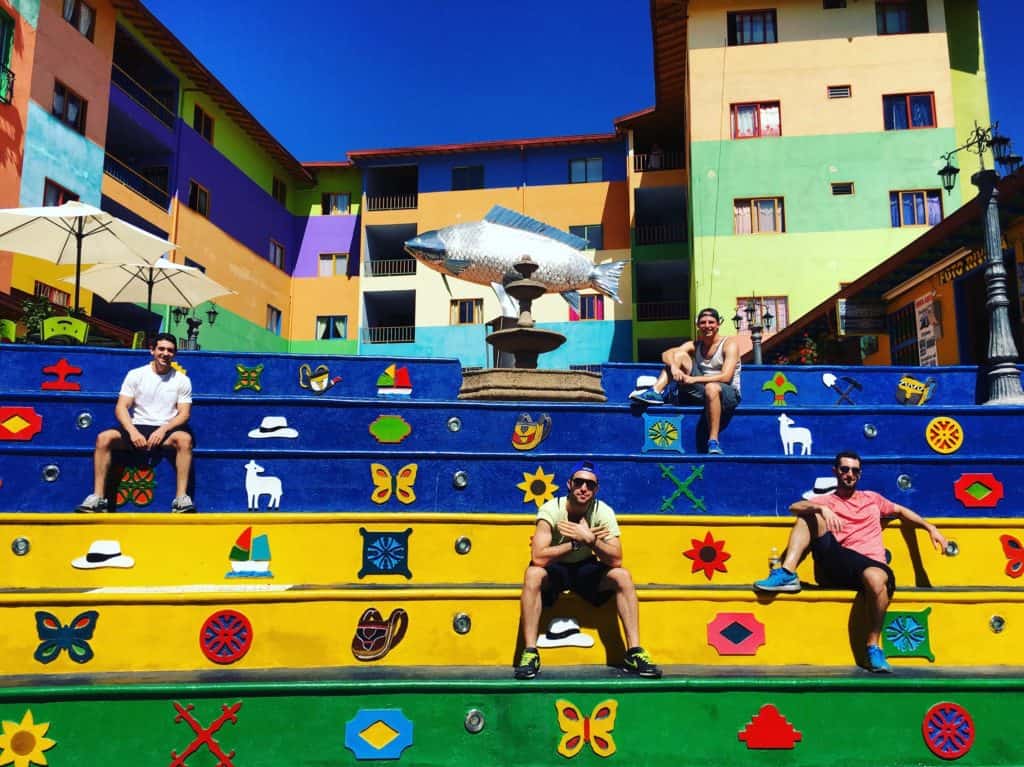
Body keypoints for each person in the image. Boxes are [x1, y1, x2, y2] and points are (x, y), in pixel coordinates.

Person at [753, 451, 947, 673]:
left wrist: (930, 528)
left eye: (854, 470)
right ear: (836, 471)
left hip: (871, 565)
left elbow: (901, 511)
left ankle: (873, 646)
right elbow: (794, 507)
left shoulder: (872, 498)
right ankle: (787, 573)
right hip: (838, 563)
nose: (849, 474)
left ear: (860, 474)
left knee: (875, 577)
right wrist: (821, 508)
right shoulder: (828, 500)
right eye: (844, 469)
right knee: (809, 514)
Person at [515, 460, 662, 680]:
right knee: (533, 574)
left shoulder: (603, 512)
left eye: (590, 485)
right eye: (579, 482)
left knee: (622, 576)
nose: (584, 488)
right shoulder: (550, 509)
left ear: (596, 489)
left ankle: (634, 652)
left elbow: (617, 558)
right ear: (569, 484)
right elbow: (537, 557)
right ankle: (530, 653)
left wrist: (591, 540)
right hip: (555, 568)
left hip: (586, 569)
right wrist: (574, 543)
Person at [75, 332, 196, 513]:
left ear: (174, 354)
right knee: (103, 438)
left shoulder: (182, 380)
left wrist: (163, 430)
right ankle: (98, 497)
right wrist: (132, 432)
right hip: (137, 426)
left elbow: (184, 414)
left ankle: (181, 499)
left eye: (170, 350)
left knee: (185, 440)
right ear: (152, 351)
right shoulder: (136, 375)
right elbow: (121, 407)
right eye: (161, 349)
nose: (165, 353)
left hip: (166, 429)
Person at [629, 307, 741, 455]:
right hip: (702, 391)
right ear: (698, 325)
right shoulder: (695, 345)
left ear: (718, 324)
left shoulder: (729, 344)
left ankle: (713, 441)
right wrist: (674, 367)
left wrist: (693, 379)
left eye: (711, 322)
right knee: (679, 356)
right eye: (703, 322)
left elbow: (726, 377)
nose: (707, 326)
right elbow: (666, 353)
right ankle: (655, 392)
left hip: (727, 394)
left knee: (712, 387)